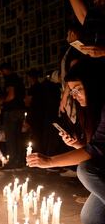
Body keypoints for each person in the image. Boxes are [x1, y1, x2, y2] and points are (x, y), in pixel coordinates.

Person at [26, 59, 105, 224]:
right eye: (71, 91)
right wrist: (77, 145)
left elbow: (95, 150)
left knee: (86, 170)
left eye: (78, 89)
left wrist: (49, 161)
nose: (74, 96)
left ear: (93, 84)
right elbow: (98, 147)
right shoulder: (92, 110)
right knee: (90, 217)